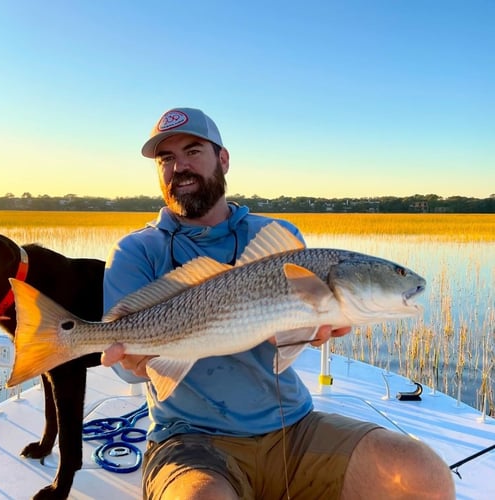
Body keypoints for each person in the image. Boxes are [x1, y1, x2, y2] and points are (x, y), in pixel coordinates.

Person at [101, 107, 455, 500]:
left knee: (424, 475)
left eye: (192, 151)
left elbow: (290, 334)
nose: (179, 166)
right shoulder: (136, 250)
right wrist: (133, 363)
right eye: (166, 159)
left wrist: (310, 336)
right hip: (190, 443)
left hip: (293, 427)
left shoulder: (277, 235)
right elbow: (129, 373)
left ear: (223, 158)